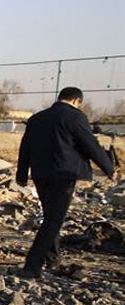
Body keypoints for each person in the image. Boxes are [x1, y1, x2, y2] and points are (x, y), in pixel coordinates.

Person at [15, 86, 116, 278]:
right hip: (64, 175)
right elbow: (91, 145)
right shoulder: (76, 117)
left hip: (40, 174)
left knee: (50, 217)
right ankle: (32, 265)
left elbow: (25, 147)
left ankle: (53, 260)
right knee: (54, 220)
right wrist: (108, 169)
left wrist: (21, 174)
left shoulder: (37, 118)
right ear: (77, 101)